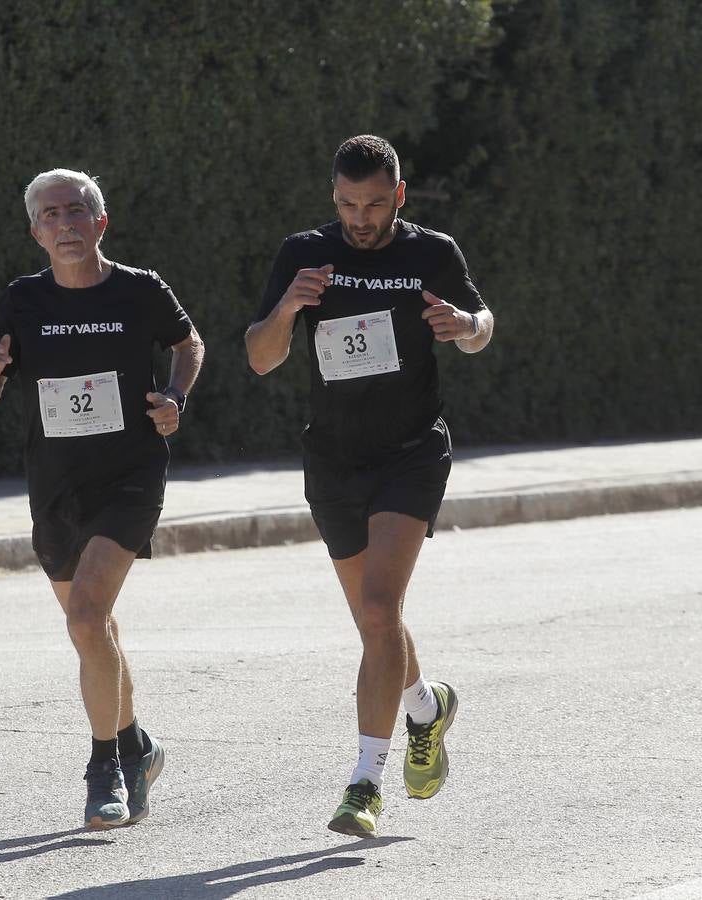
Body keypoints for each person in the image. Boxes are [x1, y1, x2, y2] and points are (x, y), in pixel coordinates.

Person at [244, 135, 494, 837]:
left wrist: (464, 325)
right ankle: (426, 708)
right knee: (375, 622)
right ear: (334, 197)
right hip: (333, 460)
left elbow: (482, 325)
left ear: (399, 196)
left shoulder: (431, 252)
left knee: (381, 607)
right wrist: (289, 308)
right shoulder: (304, 253)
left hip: (411, 455)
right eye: (349, 204)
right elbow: (260, 358)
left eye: (376, 204)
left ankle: (364, 784)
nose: (361, 218)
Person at [0, 168, 204, 829]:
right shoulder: (22, 300)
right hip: (56, 484)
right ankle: (138, 747)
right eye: (50, 215)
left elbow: (189, 343)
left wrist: (175, 395)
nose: (64, 223)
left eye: (76, 211)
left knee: (85, 618)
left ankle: (105, 770)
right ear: (35, 232)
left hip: (130, 475)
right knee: (94, 630)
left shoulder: (140, 289)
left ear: (101, 223)